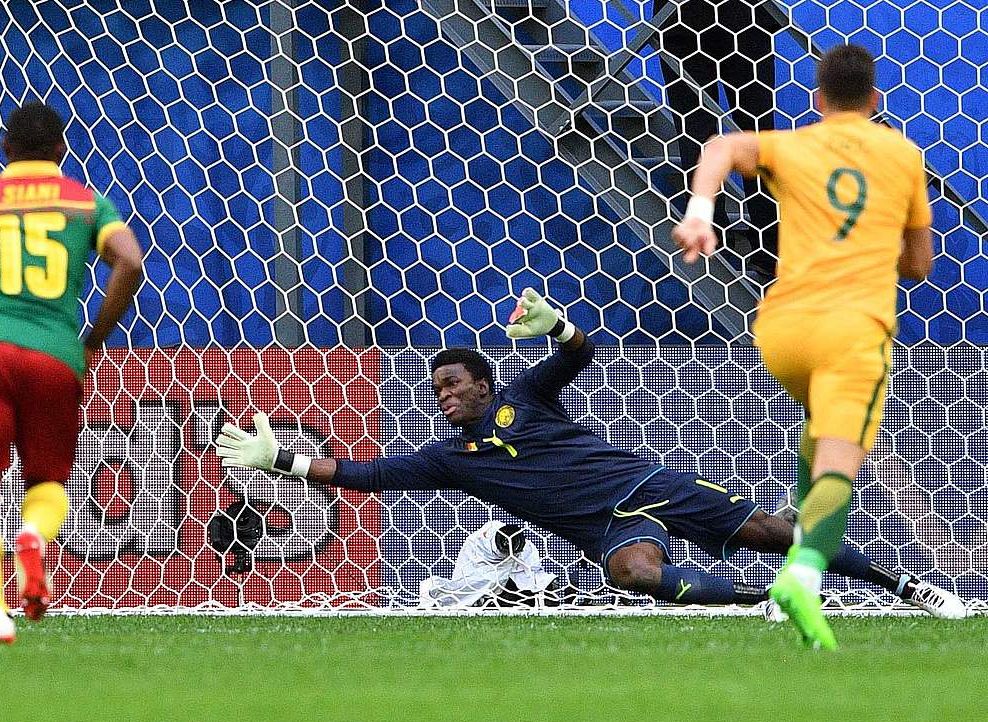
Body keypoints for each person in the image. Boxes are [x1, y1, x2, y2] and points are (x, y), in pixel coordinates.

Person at [216, 286, 964, 623]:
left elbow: (581, 353)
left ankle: (908, 587)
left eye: (452, 384)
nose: (443, 397)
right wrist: (281, 459)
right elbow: (363, 477)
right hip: (607, 529)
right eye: (435, 390)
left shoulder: (526, 398)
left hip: (648, 485)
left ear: (483, 382)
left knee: (773, 535)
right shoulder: (452, 458)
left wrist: (557, 325)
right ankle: (764, 602)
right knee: (634, 575)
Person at [672, 44, 936, 649]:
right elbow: (919, 265)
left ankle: (799, 542)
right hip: (853, 331)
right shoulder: (904, 155)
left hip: (782, 329)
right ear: (874, 101)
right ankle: (803, 573)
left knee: (818, 431)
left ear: (817, 100)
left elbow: (718, 147)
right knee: (838, 466)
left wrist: (701, 211)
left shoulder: (792, 145)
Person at [0, 102, 144, 644]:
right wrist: (93, 338)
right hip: (56, 355)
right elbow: (131, 262)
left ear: (4, 150)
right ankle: (32, 535)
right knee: (46, 485)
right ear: (61, 151)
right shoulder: (88, 202)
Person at [655, 0, 781, 277]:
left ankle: (715, 245)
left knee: (698, 135)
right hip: (739, 19)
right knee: (755, 136)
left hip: (684, 21)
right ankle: (769, 248)